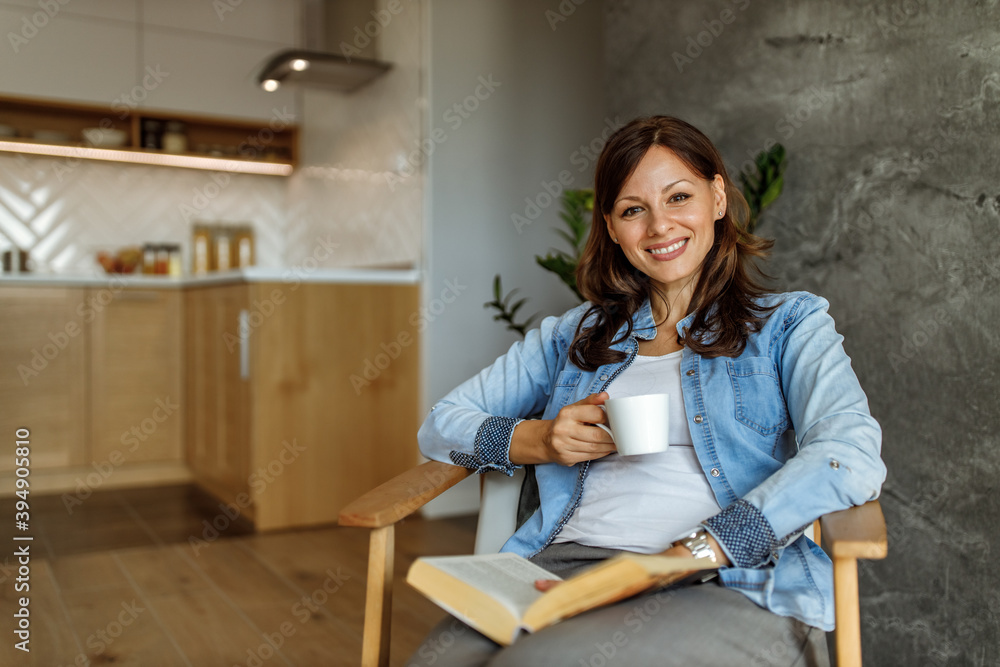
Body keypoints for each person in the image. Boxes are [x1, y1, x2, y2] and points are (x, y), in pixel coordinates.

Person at [410, 116, 886, 666]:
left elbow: (848, 452)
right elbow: (441, 425)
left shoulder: (788, 326)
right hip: (567, 564)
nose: (660, 226)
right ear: (612, 228)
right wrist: (541, 440)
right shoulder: (573, 335)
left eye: (678, 197)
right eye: (634, 209)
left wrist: (694, 550)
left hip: (718, 576)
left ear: (717, 198)